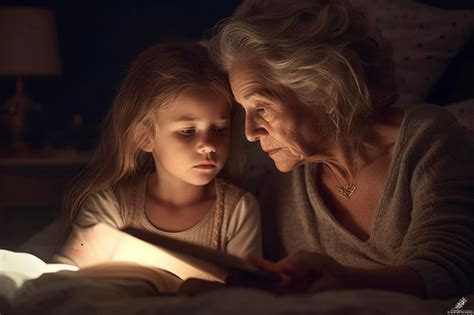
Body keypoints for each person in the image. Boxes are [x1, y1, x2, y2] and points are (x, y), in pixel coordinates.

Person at [209, 0, 474, 299]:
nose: (250, 132)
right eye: (244, 111)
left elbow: (453, 278)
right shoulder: (279, 190)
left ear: (327, 89)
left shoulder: (427, 139)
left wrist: (346, 280)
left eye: (263, 108)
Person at [50, 43, 261, 265]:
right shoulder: (110, 207)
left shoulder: (238, 210)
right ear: (145, 137)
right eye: (188, 132)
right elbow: (67, 275)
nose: (208, 145)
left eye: (220, 129)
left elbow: (246, 292)